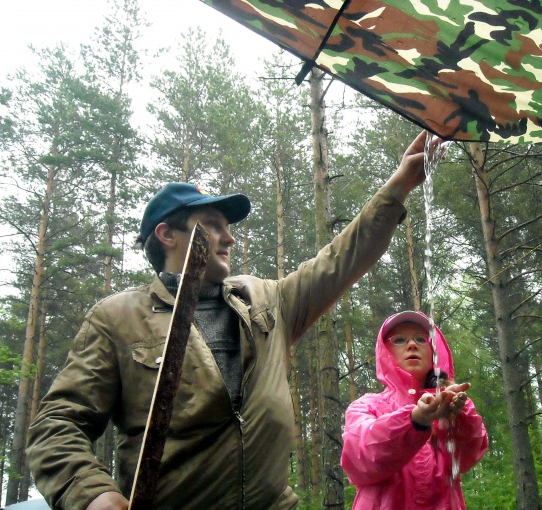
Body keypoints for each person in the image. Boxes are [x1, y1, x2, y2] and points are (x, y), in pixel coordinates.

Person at [27, 131, 440, 510]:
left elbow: (340, 259)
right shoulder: (118, 318)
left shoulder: (267, 299)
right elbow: (57, 424)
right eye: (212, 225)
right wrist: (93, 494)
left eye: (227, 228)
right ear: (167, 234)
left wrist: (399, 186)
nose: (229, 237)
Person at [341, 311, 488, 510]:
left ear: (433, 352)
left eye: (421, 339)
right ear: (386, 352)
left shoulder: (450, 402)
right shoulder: (366, 406)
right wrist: (415, 421)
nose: (412, 344)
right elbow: (361, 460)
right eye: (400, 340)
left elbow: (464, 460)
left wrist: (457, 418)